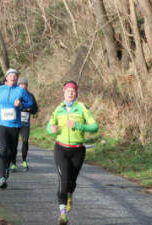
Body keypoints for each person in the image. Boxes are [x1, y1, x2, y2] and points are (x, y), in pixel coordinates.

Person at [46, 81, 98, 225]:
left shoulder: (82, 108)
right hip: (61, 148)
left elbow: (94, 127)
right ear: (64, 92)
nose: (70, 92)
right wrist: (52, 129)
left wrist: (79, 125)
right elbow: (49, 127)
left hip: (78, 150)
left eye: (73, 90)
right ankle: (63, 215)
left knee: (72, 182)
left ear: (76, 93)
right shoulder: (58, 109)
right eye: (68, 90)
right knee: (63, 181)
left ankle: (70, 194)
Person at [0, 68, 33, 189]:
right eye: (11, 75)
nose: (13, 77)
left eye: (15, 76)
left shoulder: (21, 91)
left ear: (17, 78)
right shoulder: (0, 89)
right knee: (3, 150)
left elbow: (30, 103)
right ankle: (2, 177)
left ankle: (7, 167)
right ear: (7, 77)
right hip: (1, 123)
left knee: (11, 151)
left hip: (14, 124)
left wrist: (21, 105)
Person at [10, 77, 38, 172]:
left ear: (27, 86)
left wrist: (30, 109)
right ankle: (13, 163)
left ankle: (24, 160)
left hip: (25, 123)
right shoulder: (14, 95)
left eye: (24, 84)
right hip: (15, 122)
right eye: (21, 84)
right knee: (14, 142)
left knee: (25, 141)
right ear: (18, 85)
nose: (23, 86)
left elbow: (35, 109)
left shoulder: (30, 96)